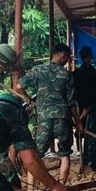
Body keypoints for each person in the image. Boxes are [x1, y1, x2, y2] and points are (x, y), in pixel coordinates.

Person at [17, 43, 77, 183]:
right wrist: (78, 123)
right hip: (63, 119)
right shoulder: (67, 75)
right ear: (62, 54)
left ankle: (31, 190)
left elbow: (19, 87)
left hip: (44, 119)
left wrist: (29, 100)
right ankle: (61, 186)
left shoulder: (38, 70)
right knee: (65, 154)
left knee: (36, 156)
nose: (67, 60)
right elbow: (72, 102)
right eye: (68, 57)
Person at [73, 46, 96, 173]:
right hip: (91, 106)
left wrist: (79, 120)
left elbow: (87, 106)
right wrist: (79, 120)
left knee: (95, 136)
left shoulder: (84, 85)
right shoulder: (79, 79)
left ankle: (92, 165)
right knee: (88, 134)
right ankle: (86, 162)